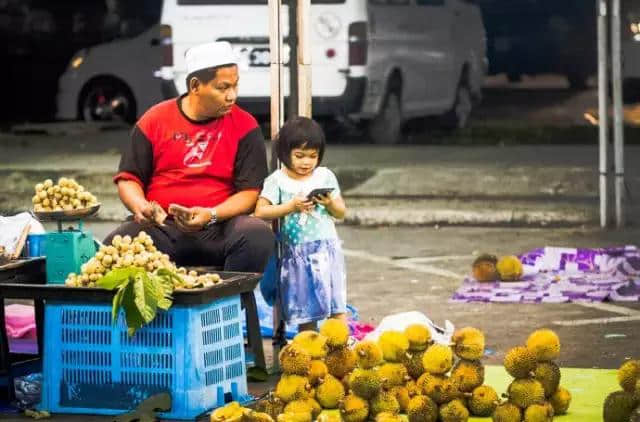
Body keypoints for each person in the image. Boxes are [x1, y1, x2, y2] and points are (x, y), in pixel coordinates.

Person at [104, 41, 274, 273]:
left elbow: (250, 193)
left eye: (235, 86)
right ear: (195, 86)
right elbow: (129, 178)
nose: (231, 96)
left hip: (219, 227)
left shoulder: (245, 125)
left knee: (258, 235)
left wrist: (211, 215)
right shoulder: (154, 120)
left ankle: (228, 300)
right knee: (119, 242)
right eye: (222, 88)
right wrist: (141, 206)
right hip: (162, 228)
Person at [254, 116, 347, 331]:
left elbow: (341, 212)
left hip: (327, 250)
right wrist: (291, 207)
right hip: (297, 256)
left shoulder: (325, 176)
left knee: (337, 306)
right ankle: (310, 354)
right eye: (299, 156)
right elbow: (260, 211)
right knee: (307, 312)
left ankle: (341, 352)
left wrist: (330, 202)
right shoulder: (276, 180)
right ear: (285, 153)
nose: (306, 162)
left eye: (313, 156)